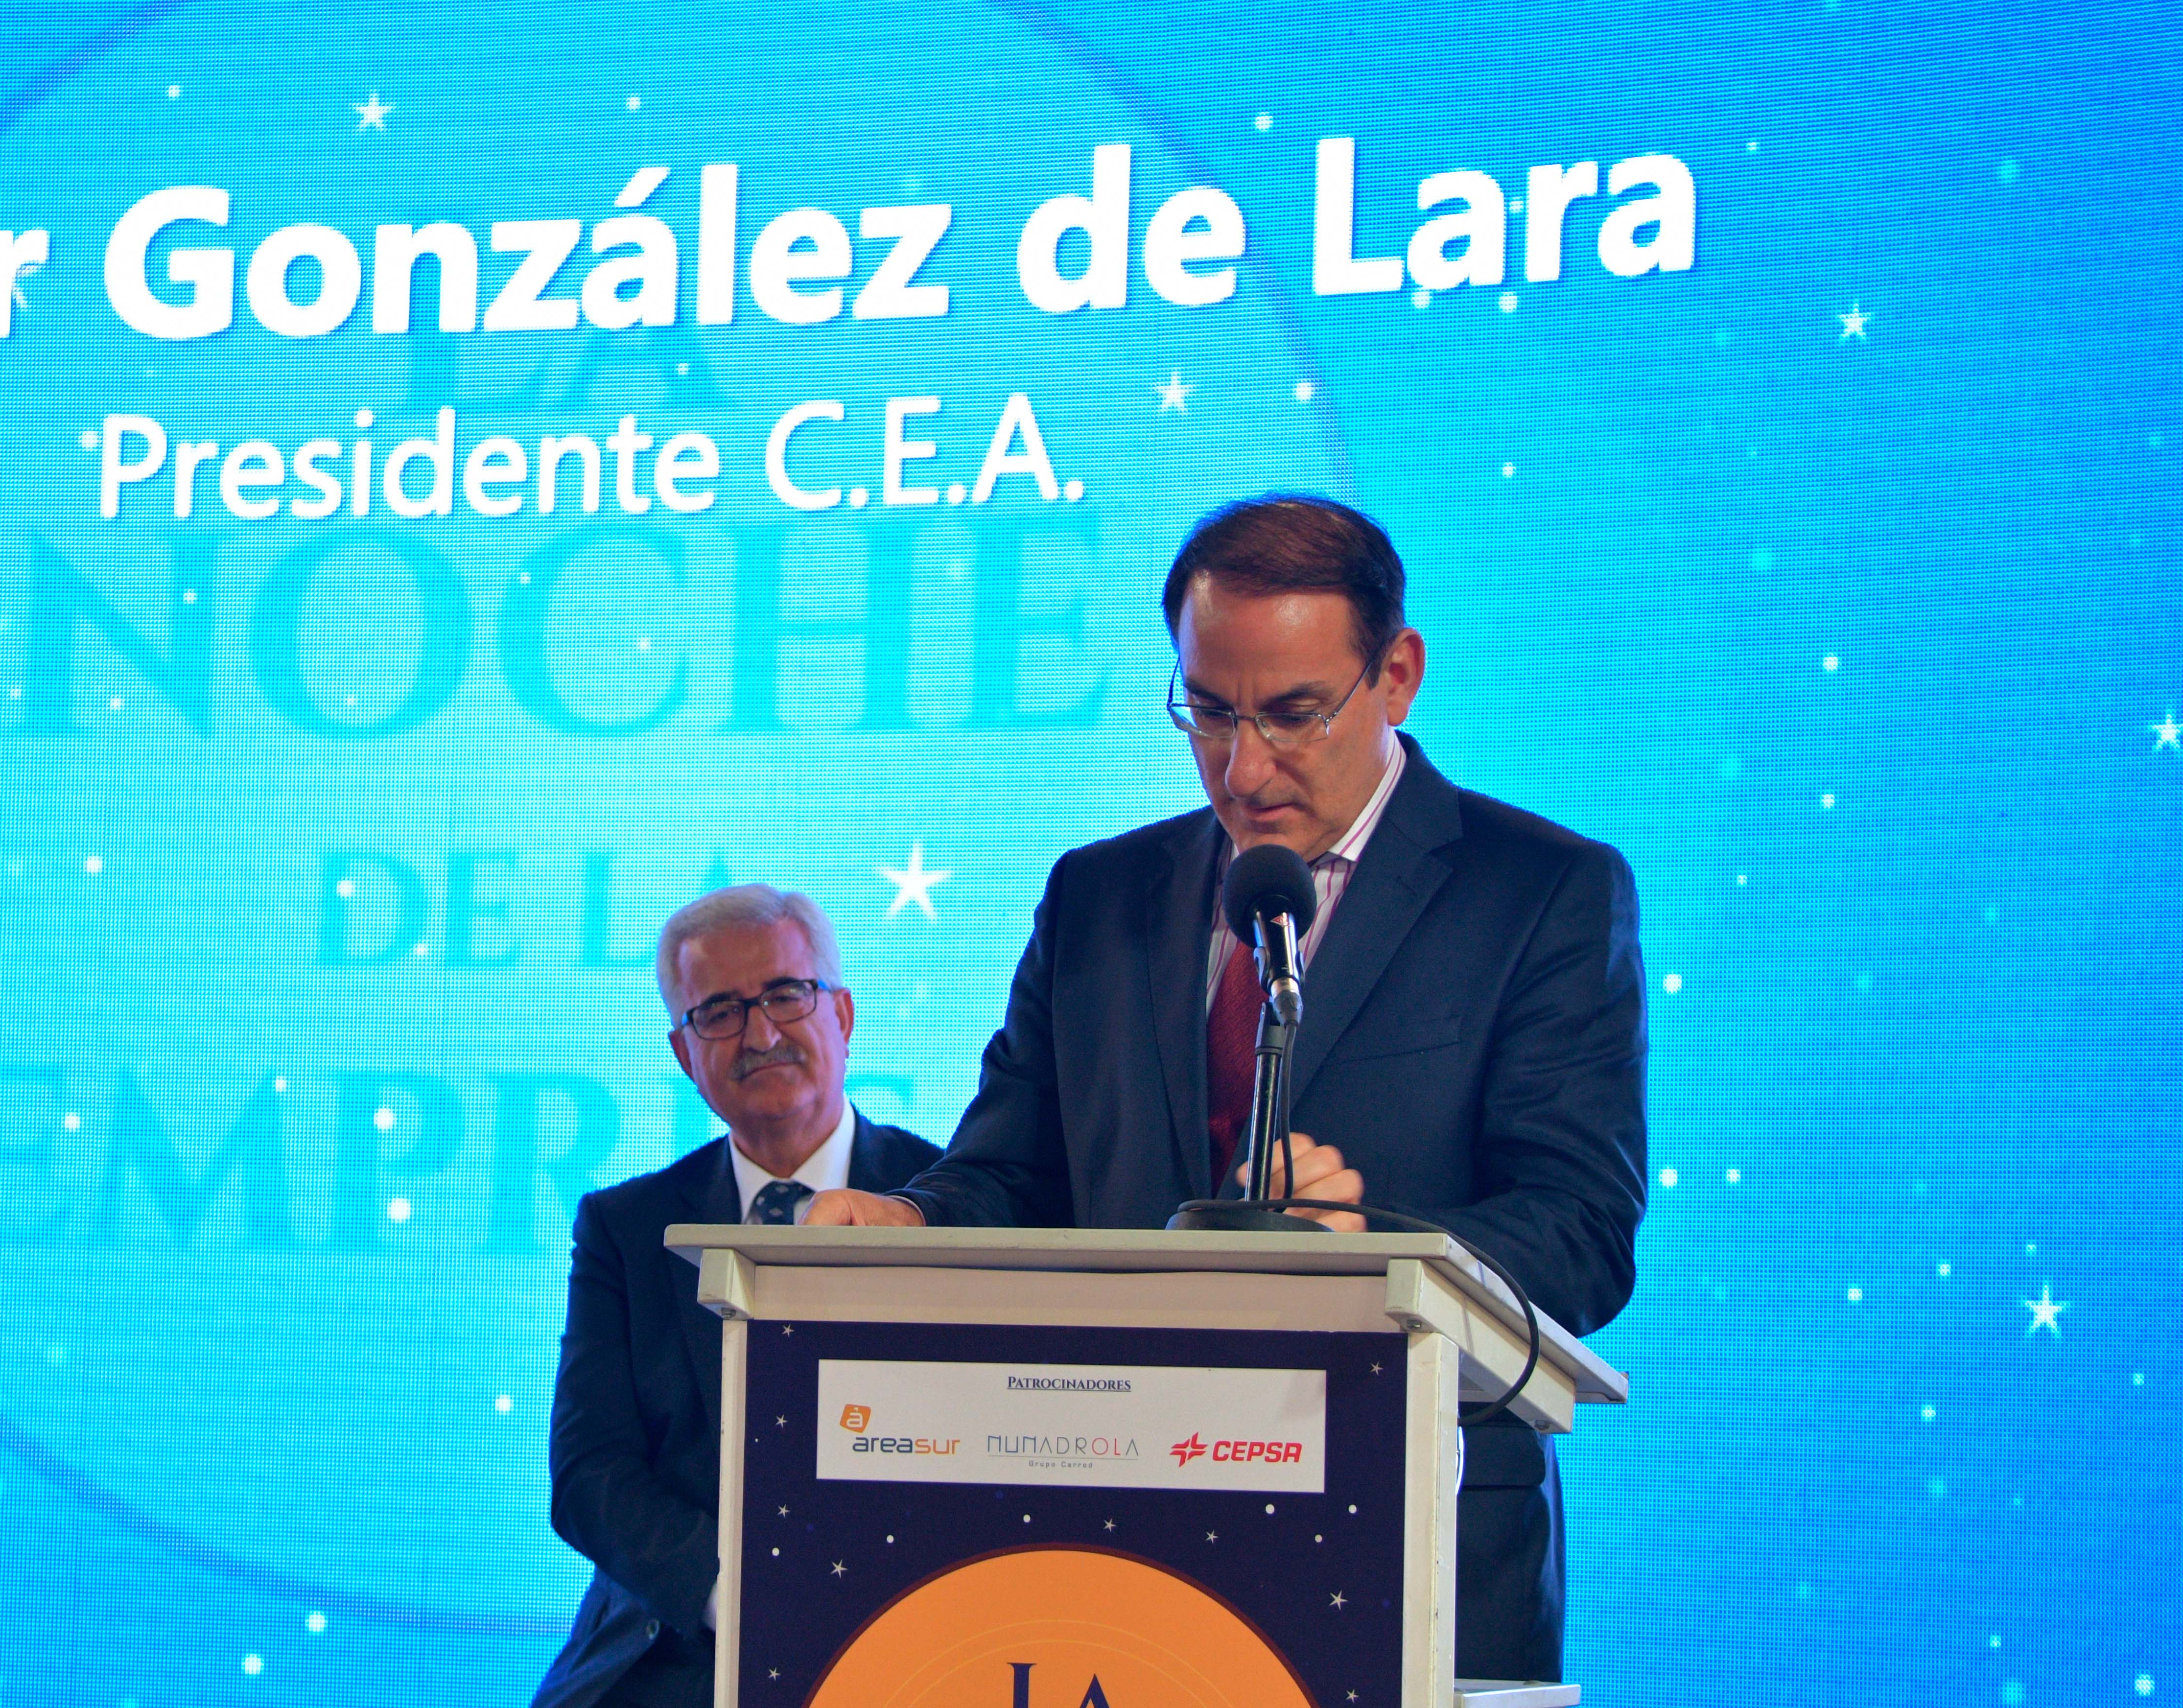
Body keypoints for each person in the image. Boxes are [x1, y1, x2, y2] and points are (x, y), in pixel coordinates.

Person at [808, 495, 1648, 1683]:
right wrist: (912, 1217)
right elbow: (1011, 1171)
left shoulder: (1539, 893)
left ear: (1397, 675)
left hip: (1408, 1528)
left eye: (1294, 713)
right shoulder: (1099, 896)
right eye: (1208, 711)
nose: (1243, 767)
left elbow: (1581, 1232)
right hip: (1105, 1524)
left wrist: (1373, 1243)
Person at [533, 886, 943, 1708]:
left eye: (787, 995)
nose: (761, 1035)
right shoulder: (628, 1229)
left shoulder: (949, 1200)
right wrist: (744, 1600)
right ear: (685, 1055)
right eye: (720, 1012)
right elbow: (590, 1475)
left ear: (843, 1016)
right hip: (680, 1642)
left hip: (913, 1629)